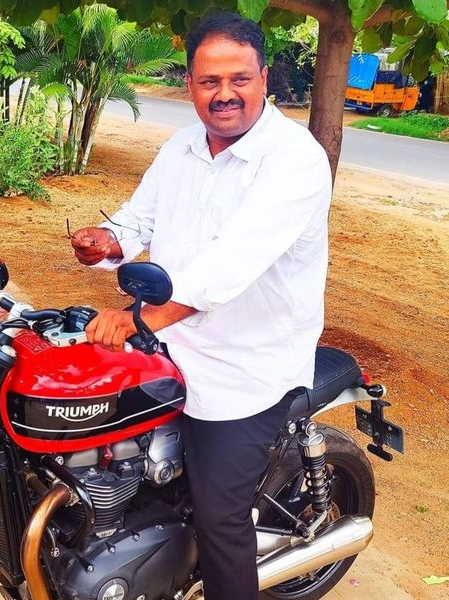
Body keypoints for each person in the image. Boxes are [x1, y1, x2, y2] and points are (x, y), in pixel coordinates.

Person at [71, 12, 331, 600]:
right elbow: (139, 219)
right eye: (210, 81)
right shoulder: (183, 146)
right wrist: (108, 241)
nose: (224, 94)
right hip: (170, 350)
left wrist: (137, 319)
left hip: (245, 368)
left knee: (220, 520)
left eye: (239, 79)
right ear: (189, 83)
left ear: (265, 78)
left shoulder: (295, 159)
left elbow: (225, 269)